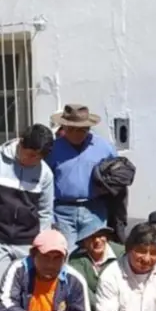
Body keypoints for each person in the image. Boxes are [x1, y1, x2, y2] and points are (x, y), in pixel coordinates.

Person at [0, 123, 56, 301]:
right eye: (30, 154)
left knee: (27, 295)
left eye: (38, 157)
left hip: (27, 244)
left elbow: (45, 213)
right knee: (2, 296)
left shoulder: (45, 174)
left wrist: (40, 248)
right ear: (21, 143)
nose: (33, 160)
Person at [47, 104, 117, 250]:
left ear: (88, 128)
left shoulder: (104, 147)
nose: (76, 134)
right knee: (65, 252)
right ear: (64, 127)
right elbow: (44, 181)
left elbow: (117, 174)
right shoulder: (52, 149)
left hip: (95, 209)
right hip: (62, 211)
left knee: (94, 253)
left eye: (80, 129)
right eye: (71, 129)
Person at [67, 220, 122, 311]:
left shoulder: (121, 253)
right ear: (84, 242)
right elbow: (82, 288)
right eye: (91, 237)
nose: (97, 240)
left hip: (119, 308)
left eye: (101, 235)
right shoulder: (76, 259)